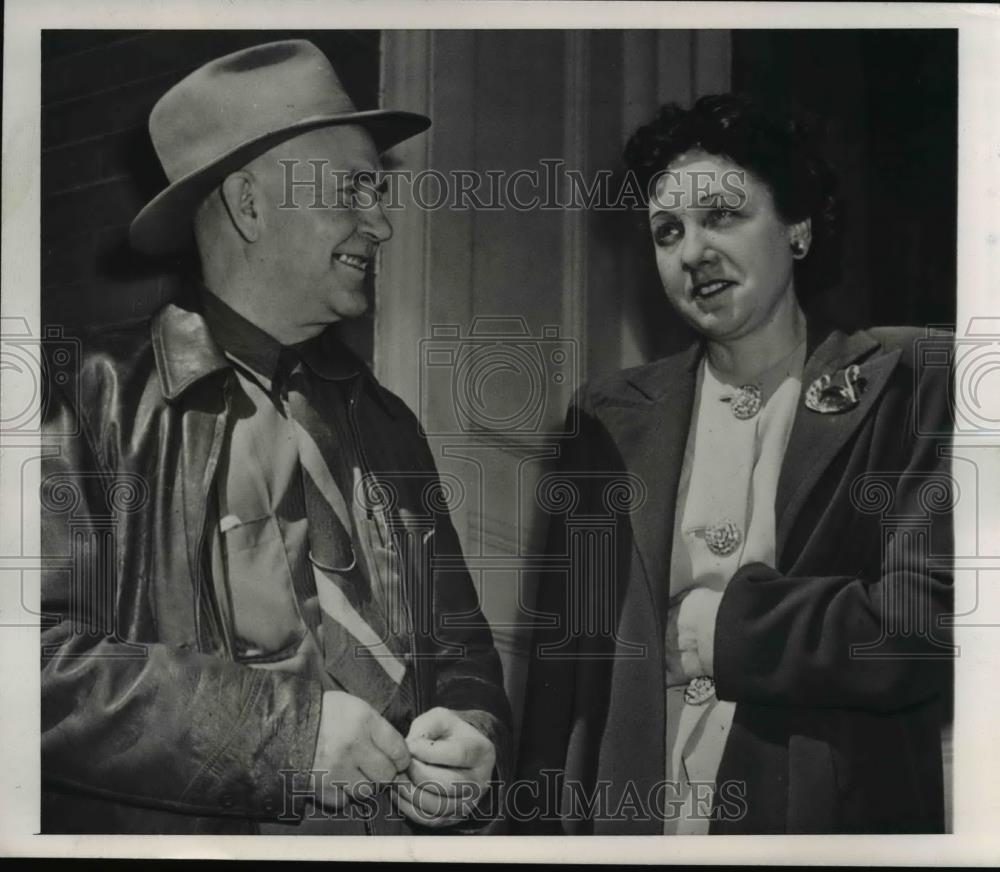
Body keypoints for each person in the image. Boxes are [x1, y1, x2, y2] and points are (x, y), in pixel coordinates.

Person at [41, 39, 511, 835]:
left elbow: (462, 652)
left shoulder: (386, 423)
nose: (382, 223)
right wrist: (280, 738)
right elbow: (35, 668)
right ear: (251, 205)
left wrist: (476, 732)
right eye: (352, 191)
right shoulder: (87, 403)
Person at [517, 94, 953, 834]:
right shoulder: (604, 417)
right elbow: (564, 680)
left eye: (723, 215)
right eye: (668, 231)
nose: (692, 252)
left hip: (824, 823)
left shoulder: (913, 376)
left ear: (799, 228)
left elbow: (927, 623)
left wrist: (723, 631)